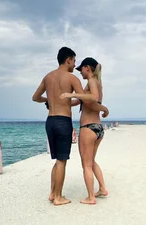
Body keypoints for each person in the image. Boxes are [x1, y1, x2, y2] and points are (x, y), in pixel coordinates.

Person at [32, 47, 105, 206]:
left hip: (50, 121)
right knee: (61, 160)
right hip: (63, 121)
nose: (75, 65)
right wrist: (102, 108)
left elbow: (35, 97)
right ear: (68, 60)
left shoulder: (47, 77)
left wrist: (49, 101)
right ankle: (58, 197)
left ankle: (52, 193)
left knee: (56, 159)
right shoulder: (72, 79)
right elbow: (86, 99)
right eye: (74, 61)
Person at [60, 57, 109, 205]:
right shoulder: (97, 83)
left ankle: (90, 197)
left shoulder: (92, 81)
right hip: (98, 128)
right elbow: (86, 101)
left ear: (87, 68)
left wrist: (72, 94)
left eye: (81, 69)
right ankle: (102, 189)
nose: (80, 72)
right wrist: (64, 101)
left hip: (88, 128)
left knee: (86, 164)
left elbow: (92, 98)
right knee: (91, 162)